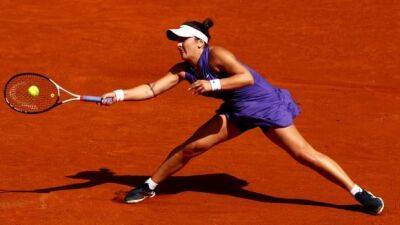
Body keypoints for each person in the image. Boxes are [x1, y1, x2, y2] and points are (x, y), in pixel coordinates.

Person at [100, 18, 384, 215]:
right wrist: (120, 94)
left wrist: (213, 84)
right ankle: (150, 186)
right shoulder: (181, 69)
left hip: (265, 106)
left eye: (181, 39)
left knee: (304, 154)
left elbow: (246, 77)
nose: (177, 44)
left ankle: (358, 192)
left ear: (199, 43)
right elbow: (151, 89)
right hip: (237, 110)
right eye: (176, 40)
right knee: (193, 146)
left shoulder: (217, 55)